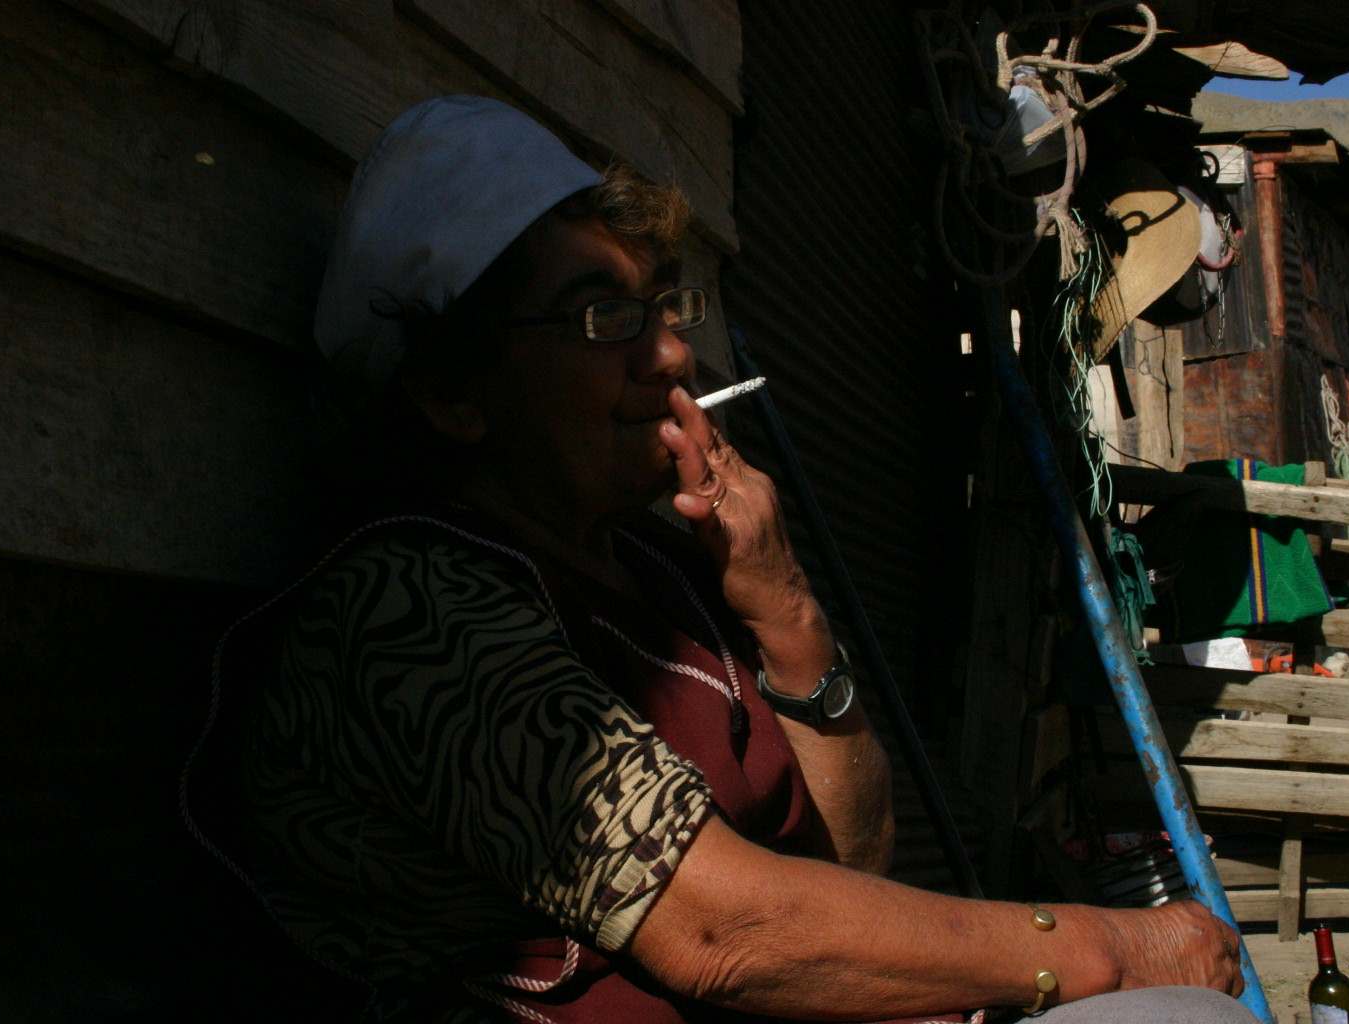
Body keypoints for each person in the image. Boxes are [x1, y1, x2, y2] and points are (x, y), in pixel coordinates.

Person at [191, 95, 1257, 1023]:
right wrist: (1103, 948)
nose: (669, 353)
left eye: (661, 306)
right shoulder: (411, 612)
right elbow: (725, 931)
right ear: (453, 391)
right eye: (601, 317)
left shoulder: (660, 572)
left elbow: (847, 871)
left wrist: (787, 613)